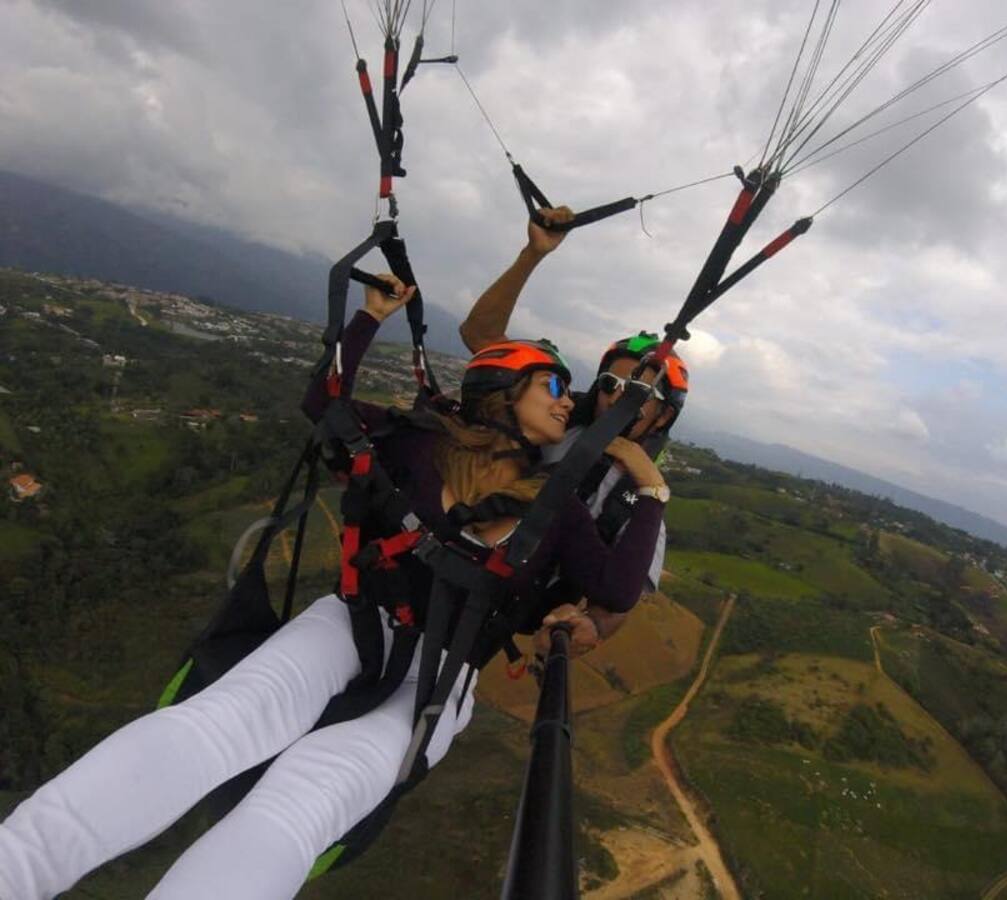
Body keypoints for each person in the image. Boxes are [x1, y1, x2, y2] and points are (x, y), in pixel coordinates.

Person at [0, 275, 669, 900]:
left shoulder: (558, 504)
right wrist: (370, 316)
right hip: (356, 622)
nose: (566, 400)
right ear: (503, 387)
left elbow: (615, 586)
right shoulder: (415, 440)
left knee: (301, 804)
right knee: (217, 724)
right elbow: (324, 403)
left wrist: (650, 487)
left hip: (439, 679)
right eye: (554, 383)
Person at [460, 208, 689, 646]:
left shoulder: (639, 504)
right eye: (611, 384)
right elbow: (482, 341)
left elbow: (621, 596)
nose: (621, 398)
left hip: (496, 615)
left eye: (640, 394)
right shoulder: (554, 423)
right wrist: (533, 254)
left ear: (663, 416)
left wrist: (595, 627)